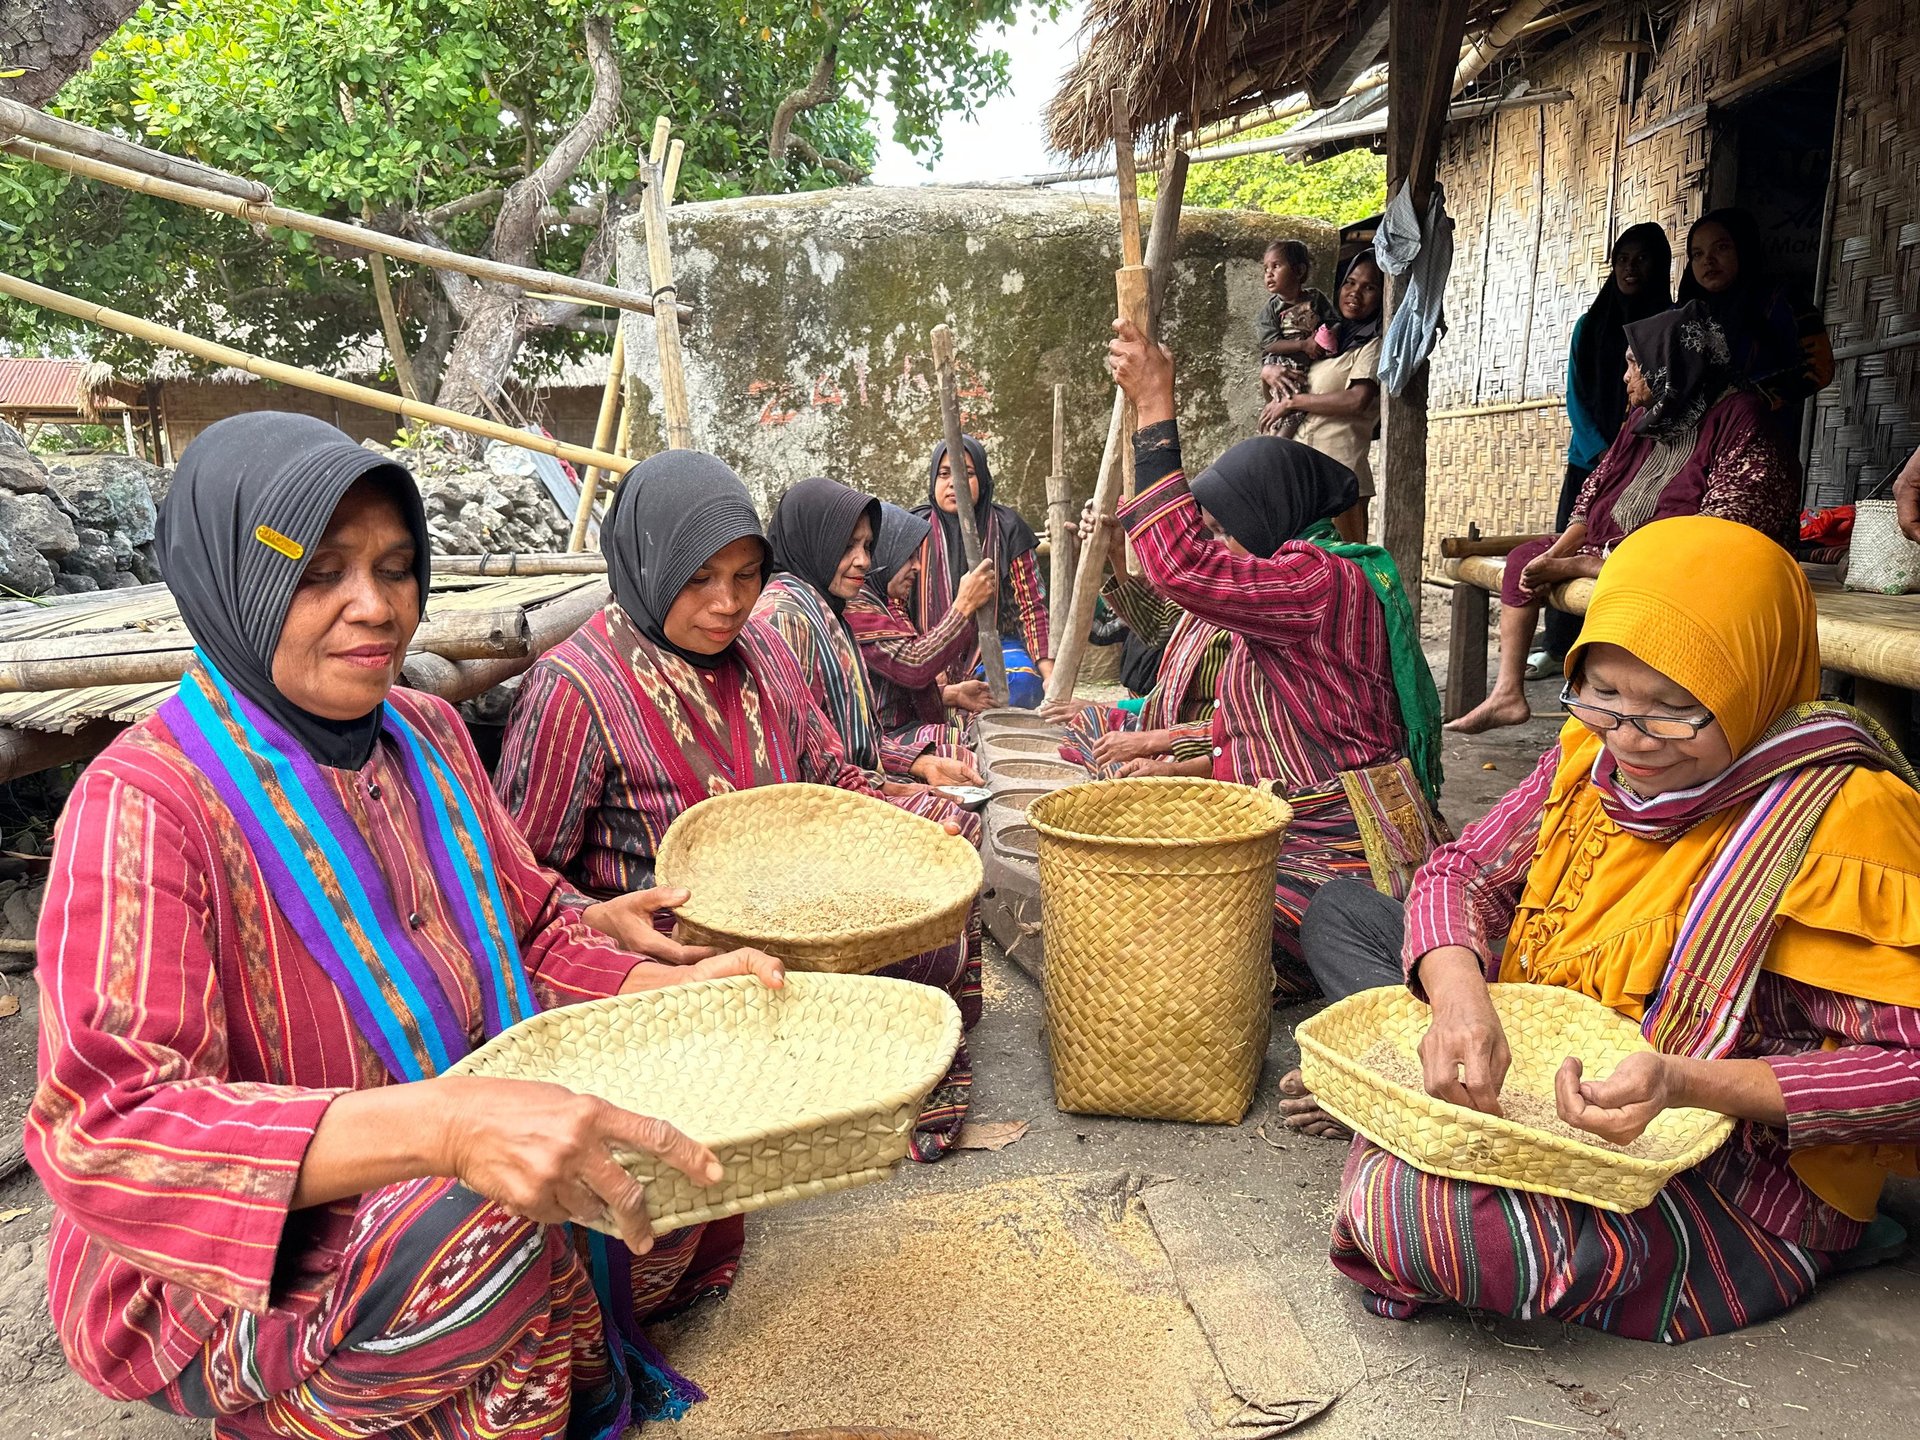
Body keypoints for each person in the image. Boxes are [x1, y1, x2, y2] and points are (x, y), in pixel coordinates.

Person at [26, 413, 788, 1435]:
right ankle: (320, 1395)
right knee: (495, 1233)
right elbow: (109, 1132)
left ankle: (502, 1339)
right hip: (243, 1254)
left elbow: (527, 928)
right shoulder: (146, 806)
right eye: (320, 571)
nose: (375, 608)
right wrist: (446, 1125)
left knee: (689, 1156)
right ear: (228, 581)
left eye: (395, 568)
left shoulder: (424, 734)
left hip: (447, 1145)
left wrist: (678, 994)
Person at [1299, 516, 1920, 1341]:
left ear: (1754, 685)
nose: (1629, 734)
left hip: (1715, 1152)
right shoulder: (1592, 757)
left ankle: (1822, 1244)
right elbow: (1462, 872)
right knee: (1345, 911)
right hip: (1541, 1053)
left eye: (1673, 709)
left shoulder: (1848, 820)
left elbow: (1908, 1075)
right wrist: (1458, 1002)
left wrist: (1684, 1082)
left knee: (1419, 1217)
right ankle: (1443, 1071)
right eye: (1604, 693)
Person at [496, 451, 980, 1161]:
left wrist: (916, 813)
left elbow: (829, 777)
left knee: (949, 876)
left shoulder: (764, 650)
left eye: (745, 576)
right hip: (674, 961)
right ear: (646, 566)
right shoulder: (574, 688)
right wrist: (601, 923)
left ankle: (869, 1078)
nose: (727, 603)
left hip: (800, 915)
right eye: (698, 580)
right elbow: (521, 881)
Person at [1107, 320, 1448, 996]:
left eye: (1227, 530)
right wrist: (1173, 759)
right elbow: (1272, 745)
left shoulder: (1317, 582)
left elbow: (1181, 567)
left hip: (1351, 855)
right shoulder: (1297, 588)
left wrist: (1153, 409)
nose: (1219, 546)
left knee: (1182, 922)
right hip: (1304, 822)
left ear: (1271, 519)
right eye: (1213, 529)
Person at [1448, 302, 1800, 736]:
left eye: (1635, 365)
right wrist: (1555, 556)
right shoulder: (1644, 417)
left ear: (1668, 362)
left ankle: (1631, 711)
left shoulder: (1742, 414)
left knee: (1660, 578)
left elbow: (1724, 531)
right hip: (1615, 549)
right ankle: (1507, 693)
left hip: (1684, 563)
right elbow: (1594, 492)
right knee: (1524, 558)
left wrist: (1577, 565)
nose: (1626, 378)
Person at [755, 476, 982, 798]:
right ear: (813, 542)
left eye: (867, 546)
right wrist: (898, 790)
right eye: (847, 545)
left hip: (861, 778)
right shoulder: (787, 618)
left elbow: (854, 737)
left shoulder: (829, 608)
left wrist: (919, 765)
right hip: (832, 801)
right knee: (961, 819)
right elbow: (808, 765)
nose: (864, 560)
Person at [1538, 222, 1673, 668]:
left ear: (1661, 265)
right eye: (1622, 259)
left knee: (1623, 549)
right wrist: (1603, 452)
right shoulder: (1590, 325)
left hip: (1648, 460)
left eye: (1642, 259)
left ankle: (1610, 647)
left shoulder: (1668, 327)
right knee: (1572, 540)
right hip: (1590, 459)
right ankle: (1560, 648)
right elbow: (1577, 396)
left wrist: (1635, 451)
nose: (1630, 268)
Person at [1044, 499, 1227, 780]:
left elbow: (1232, 730)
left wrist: (1159, 752)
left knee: (1115, 769)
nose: (1219, 544)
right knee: (1089, 730)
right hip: (1163, 722)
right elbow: (1153, 627)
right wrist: (1107, 555)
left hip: (1194, 744)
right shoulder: (1196, 605)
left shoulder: (1238, 609)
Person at [912, 434, 1051, 705]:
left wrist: (1050, 674)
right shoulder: (914, 530)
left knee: (1020, 683)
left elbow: (1032, 609)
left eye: (968, 473)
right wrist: (924, 662)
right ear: (933, 480)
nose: (954, 483)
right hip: (926, 648)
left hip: (991, 649)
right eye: (944, 474)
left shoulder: (1007, 528)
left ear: (983, 480)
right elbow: (895, 608)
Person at [844, 501, 996, 748]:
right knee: (969, 747)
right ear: (886, 551)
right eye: (908, 556)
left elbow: (896, 689)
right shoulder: (856, 606)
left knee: (981, 728)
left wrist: (951, 694)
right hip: (882, 742)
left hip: (902, 728)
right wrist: (964, 605)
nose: (917, 566)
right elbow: (912, 666)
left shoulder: (886, 604)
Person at [1260, 249, 1385, 543]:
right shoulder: (1324, 341)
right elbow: (1281, 393)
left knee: (1348, 568)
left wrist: (1293, 402)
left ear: (1382, 296)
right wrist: (1268, 373)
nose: (1355, 293)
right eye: (1350, 283)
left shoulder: (1372, 345)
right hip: (1300, 474)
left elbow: (1357, 400)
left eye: (1369, 287)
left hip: (1341, 477)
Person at [1679, 207, 1833, 431]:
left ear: (1743, 248)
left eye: (1721, 247)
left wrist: (1742, 397)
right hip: (1693, 444)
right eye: (1697, 254)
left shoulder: (1782, 301)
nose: (1708, 261)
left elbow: (1818, 367)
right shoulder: (1684, 314)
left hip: (1762, 434)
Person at [1256, 238, 1338, 438]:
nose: (1269, 273)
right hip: (1282, 361)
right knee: (1289, 398)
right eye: (1266, 268)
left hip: (1308, 361)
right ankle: (1280, 438)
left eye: (1276, 266)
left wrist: (1325, 339)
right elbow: (1269, 343)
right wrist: (1303, 345)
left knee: (1297, 399)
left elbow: (1334, 322)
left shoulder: (1316, 299)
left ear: (1299, 271)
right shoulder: (1271, 309)